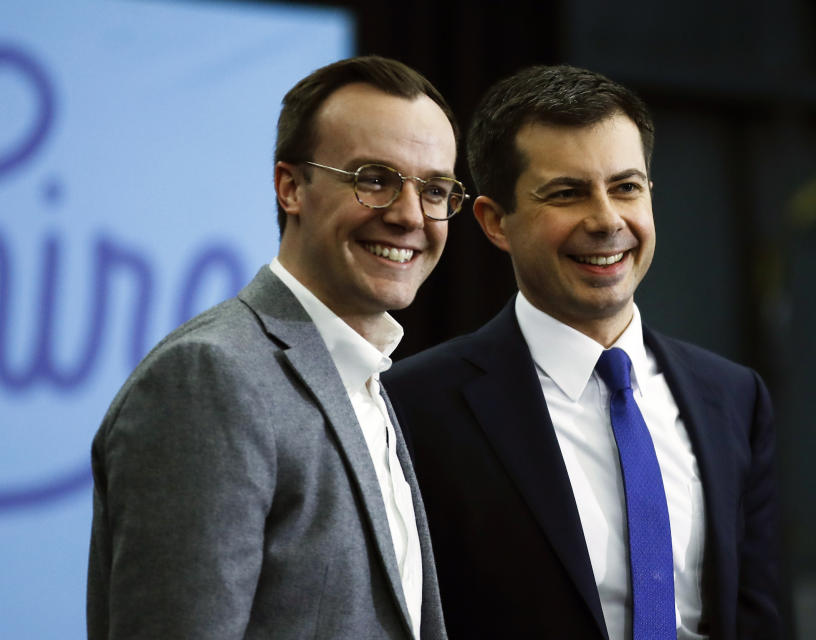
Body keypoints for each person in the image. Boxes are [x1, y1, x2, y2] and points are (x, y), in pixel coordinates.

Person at [383, 65, 779, 640]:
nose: (606, 219)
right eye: (567, 193)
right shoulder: (414, 406)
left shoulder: (734, 397)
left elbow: (757, 617)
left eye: (626, 187)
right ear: (495, 222)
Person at [87, 56, 467, 639]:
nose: (410, 215)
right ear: (291, 187)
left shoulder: (367, 379)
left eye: (435, 189)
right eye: (374, 180)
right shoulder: (212, 376)